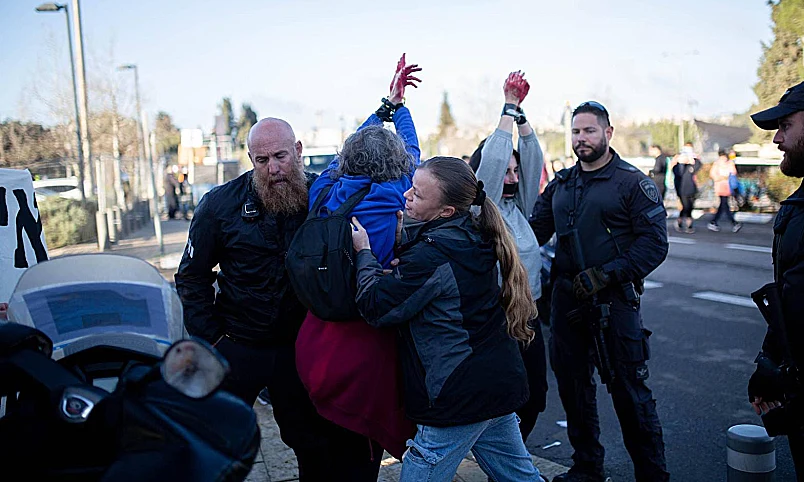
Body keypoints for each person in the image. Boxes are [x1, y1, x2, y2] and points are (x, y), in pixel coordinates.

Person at [174, 118, 358, 481]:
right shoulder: (219, 206)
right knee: (216, 441)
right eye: (262, 160)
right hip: (236, 345)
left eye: (280, 156)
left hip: (299, 348)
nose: (273, 168)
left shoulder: (321, 200)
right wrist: (213, 339)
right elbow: (191, 277)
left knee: (311, 441)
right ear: (250, 159)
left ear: (298, 150)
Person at [350, 157, 544, 482]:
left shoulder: (432, 257)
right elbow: (436, 268)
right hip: (494, 382)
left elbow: (375, 306)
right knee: (520, 476)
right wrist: (404, 241)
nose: (407, 195)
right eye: (411, 186)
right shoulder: (475, 235)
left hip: (457, 396)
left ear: (446, 212)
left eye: (418, 194)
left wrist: (364, 253)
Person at [294, 54, 421, 477]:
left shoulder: (324, 191)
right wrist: (400, 110)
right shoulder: (392, 194)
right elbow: (413, 150)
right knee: (359, 449)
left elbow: (352, 146)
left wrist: (381, 108)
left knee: (324, 445)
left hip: (318, 334)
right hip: (366, 335)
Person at [529, 101, 669, 482]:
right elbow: (533, 232)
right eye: (576, 131)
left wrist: (606, 275)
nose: (581, 138)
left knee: (630, 395)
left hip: (613, 302)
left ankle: (652, 476)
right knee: (573, 390)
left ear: (608, 133)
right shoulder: (561, 184)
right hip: (565, 300)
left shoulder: (631, 182)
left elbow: (655, 243)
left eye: (589, 130)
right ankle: (587, 466)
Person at [468, 70, 547, 444]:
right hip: (500, 320)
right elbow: (494, 164)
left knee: (537, 397)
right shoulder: (486, 210)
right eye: (507, 170)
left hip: (530, 314)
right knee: (509, 402)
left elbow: (533, 161)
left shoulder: (521, 207)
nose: (513, 176)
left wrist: (523, 119)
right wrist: (507, 108)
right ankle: (506, 467)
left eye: (517, 170)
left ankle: (511, 465)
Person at [747, 77, 804, 481]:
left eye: (785, 126)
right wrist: (771, 363)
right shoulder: (796, 208)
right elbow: (791, 297)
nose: (777, 139)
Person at [707, 149, 742, 233]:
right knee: (724, 204)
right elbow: (712, 175)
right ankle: (733, 223)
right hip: (720, 187)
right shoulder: (716, 164)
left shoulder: (729, 163)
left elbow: (734, 172)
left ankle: (714, 222)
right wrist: (722, 177)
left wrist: (731, 164)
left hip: (728, 187)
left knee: (723, 205)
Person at [671, 143, 701, 233]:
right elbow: (678, 173)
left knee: (690, 206)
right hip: (682, 189)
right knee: (686, 206)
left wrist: (693, 159)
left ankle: (680, 220)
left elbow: (698, 166)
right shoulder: (678, 167)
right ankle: (688, 223)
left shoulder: (691, 165)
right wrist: (679, 162)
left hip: (691, 188)